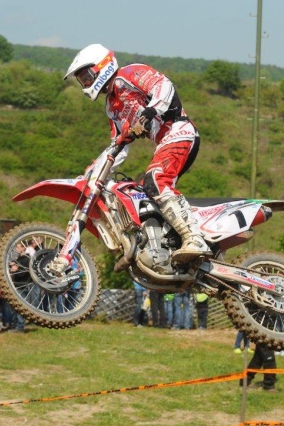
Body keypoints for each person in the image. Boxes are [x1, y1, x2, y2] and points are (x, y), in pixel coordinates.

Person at [63, 44, 207, 264]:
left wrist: (149, 113)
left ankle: (194, 238)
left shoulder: (130, 73)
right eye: (82, 80)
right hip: (164, 142)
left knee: (156, 180)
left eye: (87, 76)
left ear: (101, 65)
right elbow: (119, 144)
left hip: (180, 131)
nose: (86, 84)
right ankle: (164, 244)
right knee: (140, 195)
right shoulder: (112, 107)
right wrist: (96, 170)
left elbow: (164, 87)